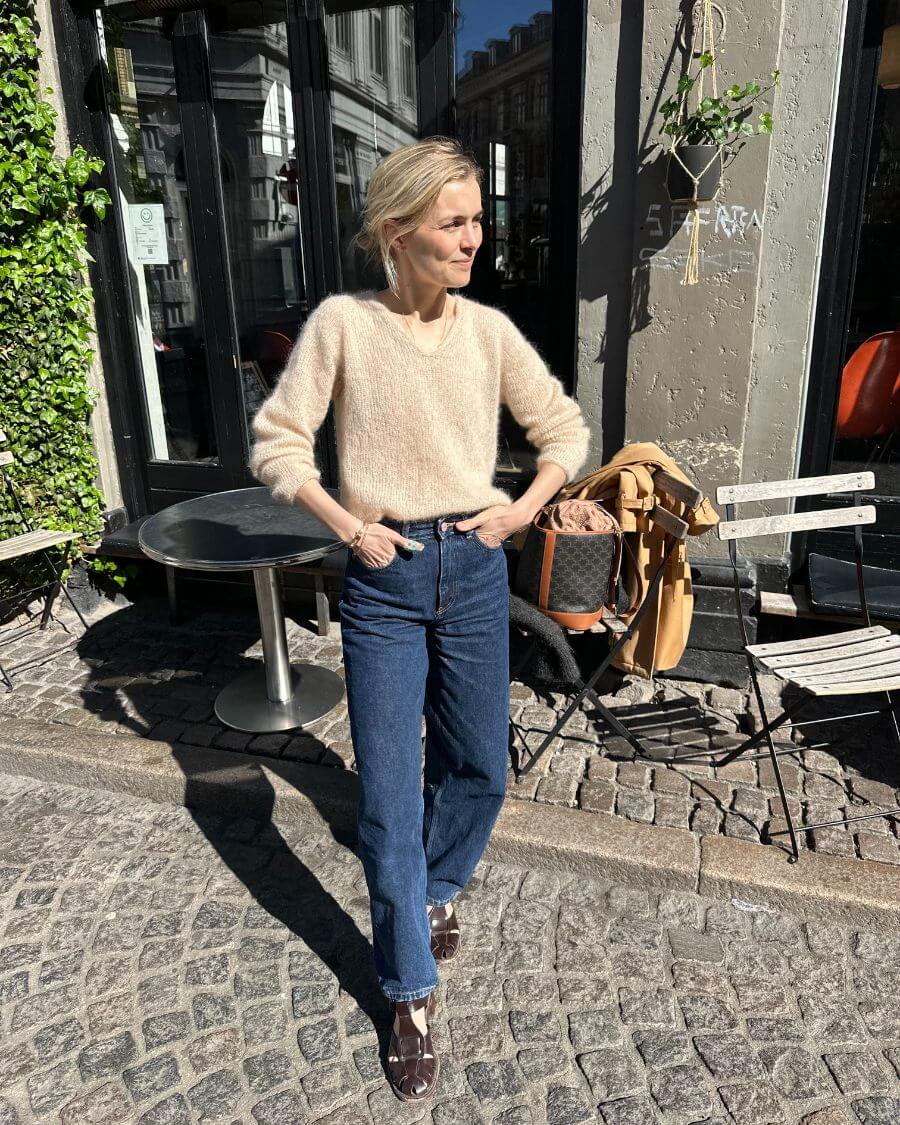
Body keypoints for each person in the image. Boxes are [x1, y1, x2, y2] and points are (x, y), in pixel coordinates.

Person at [248, 137, 590, 1102]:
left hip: (475, 570)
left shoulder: (488, 333)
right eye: (454, 222)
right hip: (385, 579)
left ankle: (435, 886)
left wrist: (520, 512)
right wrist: (347, 525)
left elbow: (563, 429)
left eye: (477, 219)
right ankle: (408, 989)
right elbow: (277, 441)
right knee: (390, 795)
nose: (475, 237)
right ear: (398, 232)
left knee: (482, 764)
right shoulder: (343, 326)